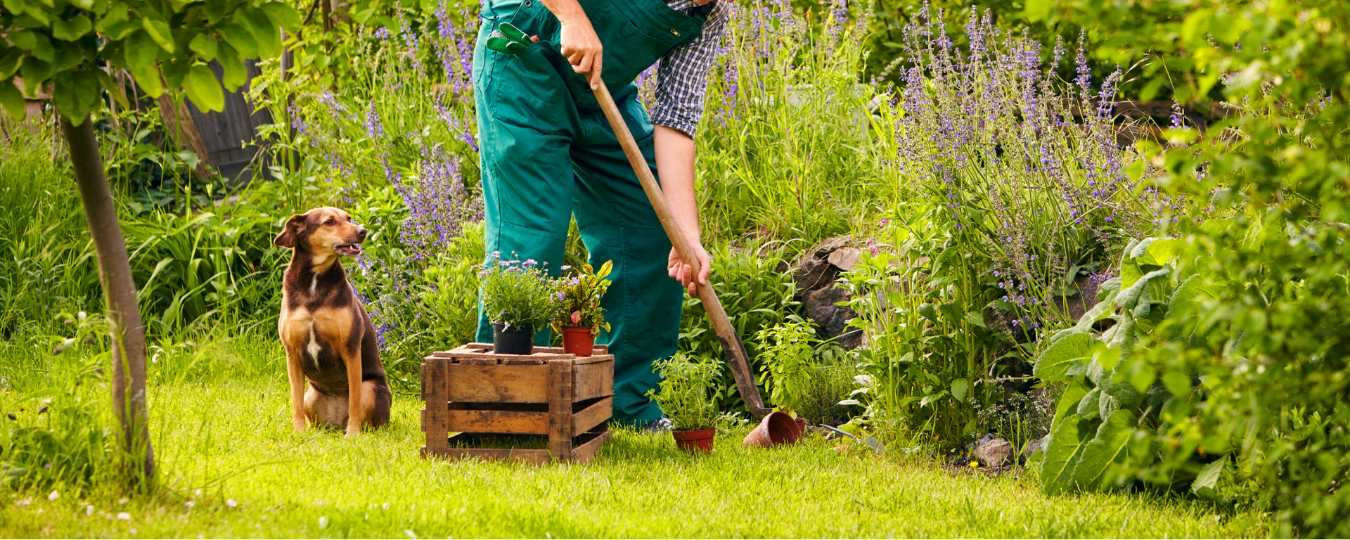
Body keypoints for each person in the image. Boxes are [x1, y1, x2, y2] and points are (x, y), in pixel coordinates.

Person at [472, 0, 729, 427]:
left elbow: (676, 119)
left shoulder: (709, 15)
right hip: (523, 66)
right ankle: (502, 405)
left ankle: (628, 403)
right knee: (531, 241)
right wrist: (571, 15)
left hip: (600, 90)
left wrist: (686, 235)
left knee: (652, 226)